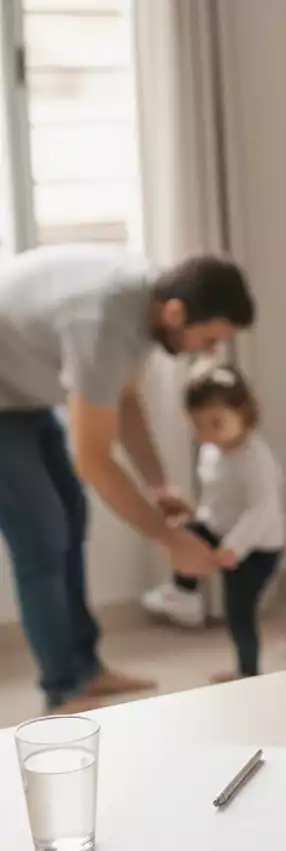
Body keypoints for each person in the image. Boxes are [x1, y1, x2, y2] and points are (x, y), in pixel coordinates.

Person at [0, 244, 256, 714]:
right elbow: (94, 460)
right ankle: (63, 689)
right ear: (178, 313)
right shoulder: (104, 324)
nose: (211, 352)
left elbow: (125, 400)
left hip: (20, 388)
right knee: (42, 538)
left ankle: (86, 669)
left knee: (71, 519)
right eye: (208, 339)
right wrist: (171, 541)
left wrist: (159, 485)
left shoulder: (146, 303)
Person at [142, 364, 284, 682]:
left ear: (244, 412)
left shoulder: (255, 458)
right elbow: (216, 499)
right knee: (183, 535)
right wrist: (197, 520)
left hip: (258, 548)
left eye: (216, 424)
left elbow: (263, 509)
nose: (206, 435)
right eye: (198, 426)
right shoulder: (211, 450)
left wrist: (234, 548)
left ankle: (249, 672)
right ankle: (184, 594)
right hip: (222, 531)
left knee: (239, 613)